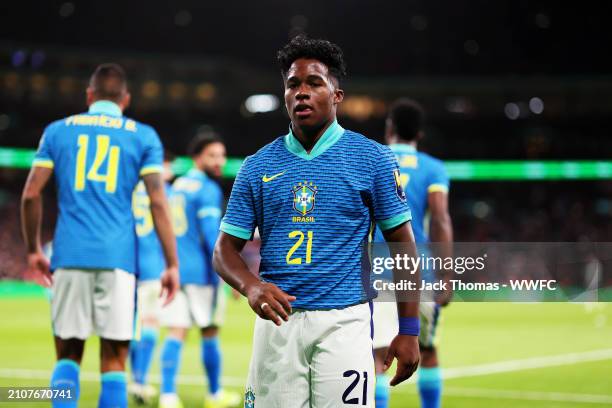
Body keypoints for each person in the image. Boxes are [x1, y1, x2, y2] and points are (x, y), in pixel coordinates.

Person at [213, 36, 421, 408]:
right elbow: (224, 251)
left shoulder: (373, 159)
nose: (302, 93)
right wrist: (251, 287)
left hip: (346, 324)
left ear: (336, 95)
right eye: (293, 84)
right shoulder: (257, 166)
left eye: (315, 83)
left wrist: (409, 330)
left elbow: (404, 247)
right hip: (278, 325)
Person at [20, 63, 179, 408]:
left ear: (89, 96)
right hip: (118, 260)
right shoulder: (143, 135)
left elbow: (31, 194)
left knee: (67, 356)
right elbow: (158, 202)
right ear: (126, 100)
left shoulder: (57, 131)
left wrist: (33, 249)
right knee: (113, 362)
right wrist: (171, 264)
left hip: (69, 255)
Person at [373, 99, 453, 408]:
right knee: (428, 349)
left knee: (378, 354)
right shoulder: (433, 168)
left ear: (389, 128)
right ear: (419, 134)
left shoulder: (374, 162)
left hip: (378, 270)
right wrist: (446, 274)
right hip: (420, 272)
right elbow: (441, 219)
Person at [158, 134, 240, 408]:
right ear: (197, 158)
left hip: (177, 270)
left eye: (221, 155)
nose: (220, 161)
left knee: (176, 331)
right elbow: (210, 236)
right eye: (213, 156)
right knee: (210, 331)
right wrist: (229, 274)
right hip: (202, 274)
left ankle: (167, 395)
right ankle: (214, 394)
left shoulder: (178, 185)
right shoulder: (207, 189)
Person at [129, 151, 176, 404]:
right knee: (149, 326)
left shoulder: (128, 189)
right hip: (153, 267)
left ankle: (134, 378)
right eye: (168, 166)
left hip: (127, 268)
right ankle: (140, 381)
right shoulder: (164, 192)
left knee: (131, 327)